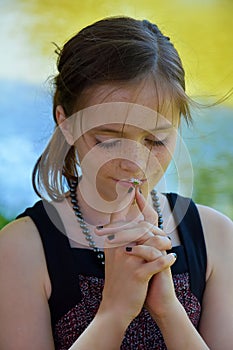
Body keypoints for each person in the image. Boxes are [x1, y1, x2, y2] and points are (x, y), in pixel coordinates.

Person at [0, 16, 232, 350]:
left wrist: (169, 310)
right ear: (65, 123)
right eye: (108, 140)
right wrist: (114, 312)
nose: (134, 162)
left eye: (155, 141)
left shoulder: (217, 237)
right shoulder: (21, 250)